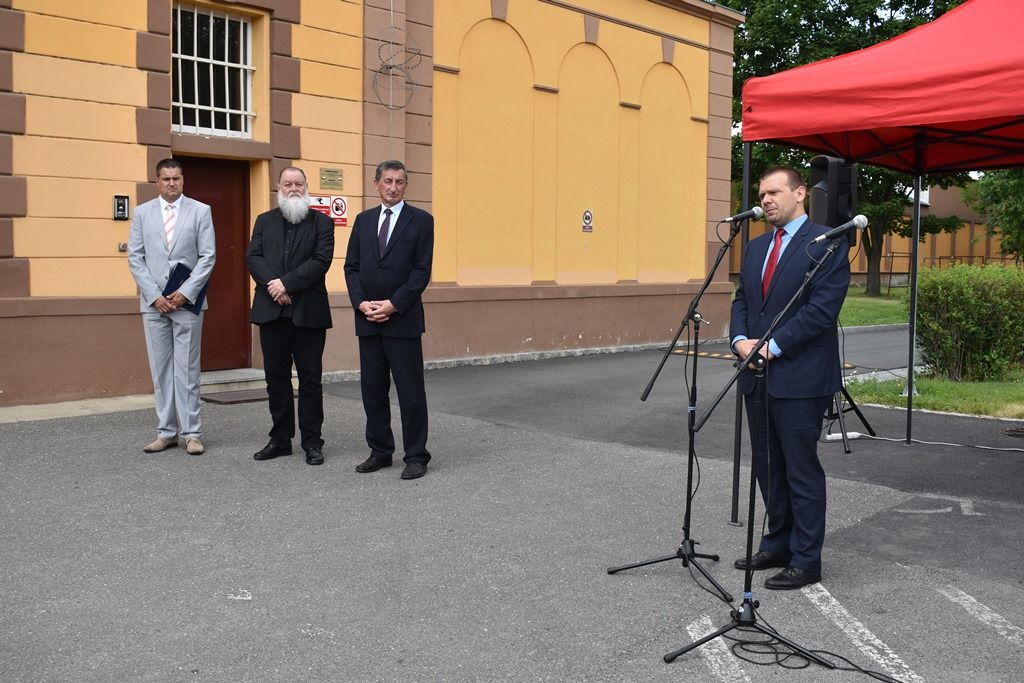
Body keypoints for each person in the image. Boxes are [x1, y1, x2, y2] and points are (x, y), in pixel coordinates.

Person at [729, 166, 851, 590]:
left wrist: (772, 347)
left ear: (800, 194)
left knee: (800, 470)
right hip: (755, 374)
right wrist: (741, 339)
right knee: (767, 468)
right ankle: (777, 543)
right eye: (762, 194)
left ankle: (806, 559)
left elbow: (821, 312)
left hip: (799, 378)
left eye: (774, 192)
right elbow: (743, 298)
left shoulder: (828, 243)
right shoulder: (756, 246)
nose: (765, 200)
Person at [344, 160, 434, 480]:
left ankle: (416, 455)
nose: (393, 187)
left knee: (410, 392)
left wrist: (394, 304)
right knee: (373, 390)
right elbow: (351, 267)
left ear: (406, 185)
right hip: (368, 320)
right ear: (376, 184)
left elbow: (421, 272)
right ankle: (380, 451)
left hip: (402, 320)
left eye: (399, 182)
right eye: (387, 181)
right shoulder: (363, 220)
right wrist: (361, 303)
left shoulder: (421, 221)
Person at [127, 158, 216, 456]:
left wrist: (185, 292)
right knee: (161, 370)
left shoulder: (201, 211)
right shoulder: (142, 214)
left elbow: (208, 257)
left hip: (186, 303)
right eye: (166, 179)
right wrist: (154, 296)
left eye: (176, 178)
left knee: (187, 370)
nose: (172, 183)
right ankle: (166, 432)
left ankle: (192, 433)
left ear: (183, 180)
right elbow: (135, 258)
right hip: (154, 305)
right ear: (157, 181)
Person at [246, 167, 334, 466]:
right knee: (276, 380)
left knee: (310, 380)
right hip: (272, 312)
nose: (293, 188)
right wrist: (275, 286)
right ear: (278, 187)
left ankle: (312, 442)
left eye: (298, 184)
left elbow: (321, 261)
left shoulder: (322, 222)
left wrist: (287, 284)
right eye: (287, 184)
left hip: (308, 313)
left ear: (306, 187)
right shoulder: (264, 221)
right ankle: (280, 439)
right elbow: (253, 257)